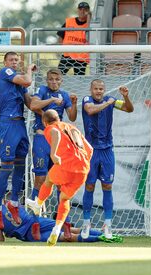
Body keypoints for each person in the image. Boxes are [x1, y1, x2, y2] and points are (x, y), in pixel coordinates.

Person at [26, 109, 93, 246]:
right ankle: (56, 229)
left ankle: (38, 205)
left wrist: (54, 154)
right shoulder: (72, 127)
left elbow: (55, 133)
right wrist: (82, 162)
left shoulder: (51, 128)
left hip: (66, 164)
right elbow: (90, 149)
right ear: (58, 118)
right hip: (83, 169)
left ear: (45, 122)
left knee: (48, 180)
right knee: (64, 198)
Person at [81, 80, 134, 239]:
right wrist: (108, 102)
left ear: (104, 90)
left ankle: (108, 224)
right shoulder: (87, 100)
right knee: (89, 185)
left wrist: (126, 97)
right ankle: (86, 223)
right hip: (91, 150)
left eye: (101, 89)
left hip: (107, 151)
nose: (98, 91)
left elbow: (129, 109)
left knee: (107, 185)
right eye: (96, 89)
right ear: (91, 89)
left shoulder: (111, 100)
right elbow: (90, 111)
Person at [29, 68, 77, 239]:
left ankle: (64, 226)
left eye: (57, 79)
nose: (54, 82)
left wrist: (74, 103)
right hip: (42, 139)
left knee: (61, 182)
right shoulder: (42, 91)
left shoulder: (64, 94)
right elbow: (34, 105)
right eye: (51, 79)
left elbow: (71, 117)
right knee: (40, 179)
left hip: (58, 141)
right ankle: (34, 223)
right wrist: (51, 100)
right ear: (47, 80)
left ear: (61, 80)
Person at [0, 51, 36, 230]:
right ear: (5, 62)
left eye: (16, 60)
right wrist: (29, 70)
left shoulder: (19, 83)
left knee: (20, 166)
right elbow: (27, 80)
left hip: (20, 124)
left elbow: (31, 104)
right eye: (11, 60)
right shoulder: (6, 73)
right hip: (8, 123)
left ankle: (14, 203)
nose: (14, 62)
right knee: (7, 166)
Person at [0, 205, 123, 243]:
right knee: (70, 232)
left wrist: (0, 234)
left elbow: (0, 238)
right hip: (36, 224)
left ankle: (101, 237)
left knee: (68, 236)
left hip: (32, 232)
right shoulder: (12, 203)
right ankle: (103, 235)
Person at [57, 1, 91, 76]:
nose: (82, 11)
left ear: (88, 11)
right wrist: (61, 49)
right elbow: (60, 36)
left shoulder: (90, 25)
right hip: (67, 55)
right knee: (58, 75)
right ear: (77, 10)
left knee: (79, 79)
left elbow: (89, 33)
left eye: (85, 9)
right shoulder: (69, 21)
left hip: (81, 57)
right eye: (80, 9)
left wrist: (89, 17)